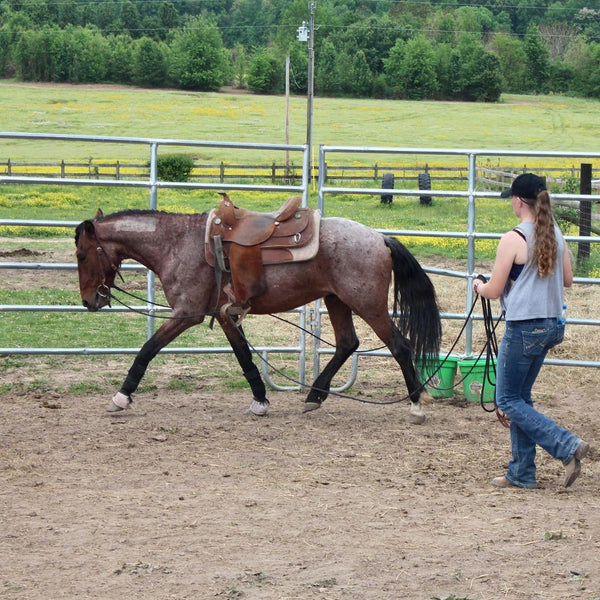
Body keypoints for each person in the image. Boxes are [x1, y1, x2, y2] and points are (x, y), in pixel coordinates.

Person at [473, 173, 589, 489]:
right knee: (520, 397)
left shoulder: (513, 239)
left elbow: (494, 290)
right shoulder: (555, 233)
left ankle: (566, 446)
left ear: (518, 201)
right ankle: (522, 473)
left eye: (511, 197)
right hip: (552, 324)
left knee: (507, 400)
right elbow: (567, 280)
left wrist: (478, 286)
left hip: (524, 327)